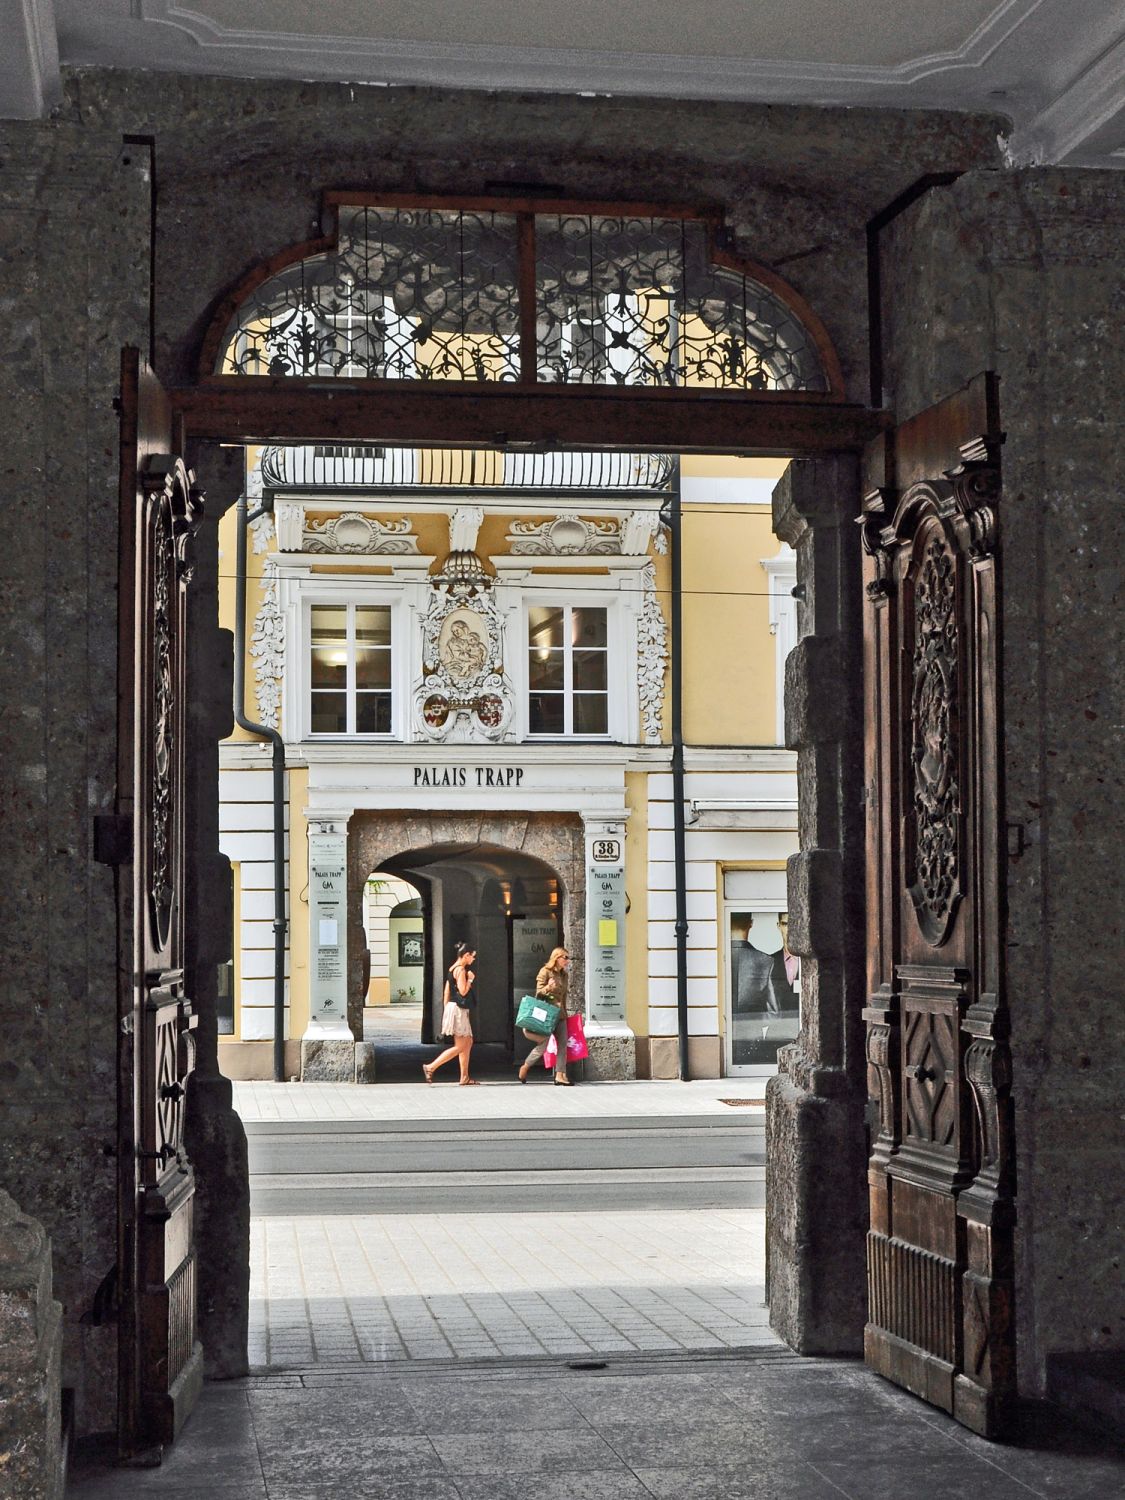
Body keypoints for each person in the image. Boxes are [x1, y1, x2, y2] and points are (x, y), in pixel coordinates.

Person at [423, 943, 479, 1085]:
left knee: (468, 1042)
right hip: (458, 1010)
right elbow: (463, 991)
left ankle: (464, 1077)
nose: (473, 960)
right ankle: (431, 1067)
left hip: (452, 1007)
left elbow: (447, 991)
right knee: (461, 1045)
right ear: (466, 955)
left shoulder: (451, 969)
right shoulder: (460, 970)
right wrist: (470, 979)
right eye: (472, 957)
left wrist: (446, 1009)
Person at [518, 946, 572, 1086]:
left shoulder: (565, 975)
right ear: (557, 958)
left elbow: (564, 996)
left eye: (568, 958)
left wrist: (565, 1013)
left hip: (560, 1015)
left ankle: (560, 1075)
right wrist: (548, 987)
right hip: (547, 1015)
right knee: (544, 1044)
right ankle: (526, 1066)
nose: (567, 961)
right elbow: (538, 993)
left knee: (562, 1045)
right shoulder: (545, 972)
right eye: (565, 958)